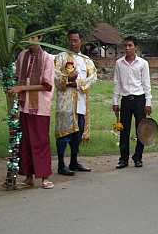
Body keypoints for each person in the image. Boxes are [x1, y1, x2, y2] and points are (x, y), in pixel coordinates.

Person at [8, 23, 55, 189]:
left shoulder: (48, 58)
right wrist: (12, 87)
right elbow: (17, 76)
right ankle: (28, 176)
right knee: (25, 141)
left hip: (40, 106)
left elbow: (47, 85)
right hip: (24, 105)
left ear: (41, 38)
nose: (31, 41)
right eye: (29, 37)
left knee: (40, 140)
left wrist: (22, 88)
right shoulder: (22, 55)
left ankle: (44, 177)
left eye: (34, 37)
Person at [54, 29, 97, 176]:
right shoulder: (61, 57)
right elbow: (55, 76)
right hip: (65, 104)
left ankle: (74, 161)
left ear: (81, 41)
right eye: (70, 40)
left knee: (77, 135)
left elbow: (93, 77)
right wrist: (68, 80)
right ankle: (61, 164)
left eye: (75, 40)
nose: (73, 43)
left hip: (81, 103)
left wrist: (77, 84)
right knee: (63, 135)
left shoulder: (87, 60)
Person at [113, 36, 152, 169]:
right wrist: (115, 101)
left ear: (136, 47)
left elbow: (147, 84)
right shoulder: (119, 63)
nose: (127, 48)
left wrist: (148, 102)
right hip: (126, 100)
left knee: (141, 130)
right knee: (124, 130)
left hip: (139, 99)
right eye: (125, 46)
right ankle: (123, 159)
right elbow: (117, 83)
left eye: (130, 45)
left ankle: (138, 157)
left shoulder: (143, 63)